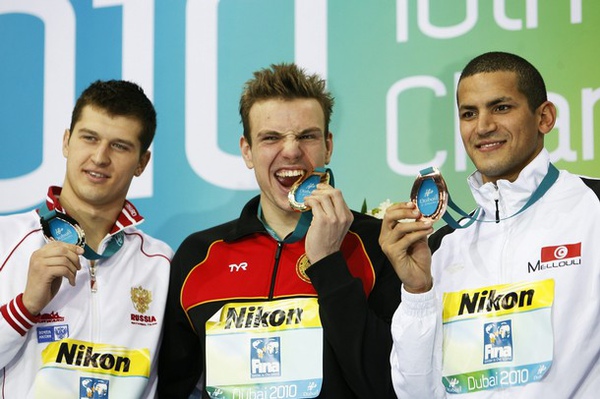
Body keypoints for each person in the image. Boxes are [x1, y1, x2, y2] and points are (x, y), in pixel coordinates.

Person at [158, 63, 401, 398]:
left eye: (307, 136)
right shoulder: (199, 256)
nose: (290, 150)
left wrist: (328, 262)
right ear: (247, 150)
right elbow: (176, 389)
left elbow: (389, 386)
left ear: (328, 146)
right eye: (271, 138)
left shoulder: (377, 243)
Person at [381, 51, 600, 398]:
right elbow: (417, 393)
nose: (482, 127)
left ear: (544, 117)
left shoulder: (594, 209)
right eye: (469, 113)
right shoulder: (441, 247)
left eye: (501, 107)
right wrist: (418, 295)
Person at [0, 80, 173, 398]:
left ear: (142, 163)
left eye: (119, 146)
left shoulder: (162, 265)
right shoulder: (5, 241)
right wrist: (25, 307)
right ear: (66, 141)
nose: (100, 157)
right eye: (89, 138)